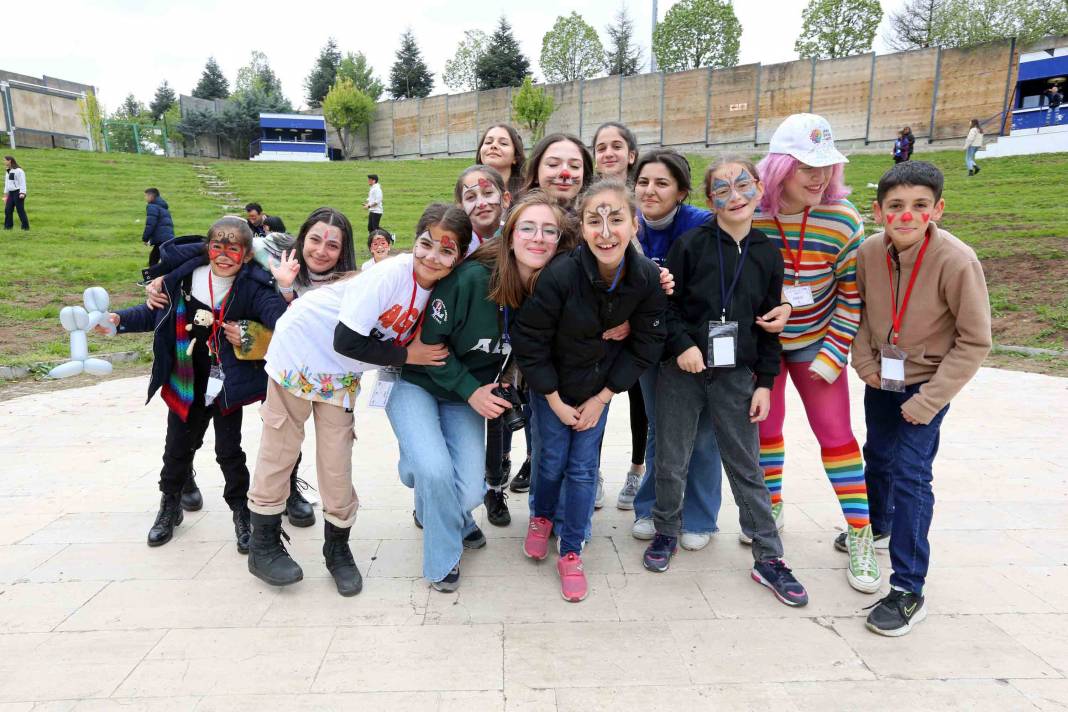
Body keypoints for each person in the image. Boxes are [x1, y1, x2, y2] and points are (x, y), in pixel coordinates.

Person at [246, 203, 462, 596]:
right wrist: (406, 355)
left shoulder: (438, 287)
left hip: (340, 371)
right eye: (426, 244)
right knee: (281, 448)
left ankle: (337, 549)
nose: (433, 255)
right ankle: (262, 545)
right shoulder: (392, 273)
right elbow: (345, 339)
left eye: (446, 250)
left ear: (459, 256)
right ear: (413, 242)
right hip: (300, 350)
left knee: (336, 459)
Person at [643, 156, 810, 608]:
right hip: (683, 371)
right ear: (708, 198)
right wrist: (682, 346)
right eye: (722, 189)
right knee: (672, 457)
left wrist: (766, 382)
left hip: (737, 375)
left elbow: (769, 325)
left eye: (743, 185)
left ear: (759, 188)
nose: (734, 196)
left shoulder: (766, 252)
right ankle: (666, 531)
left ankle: (769, 556)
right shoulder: (691, 245)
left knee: (746, 466)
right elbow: (665, 309)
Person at [852, 161, 991, 635]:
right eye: (895, 206)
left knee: (911, 475)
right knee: (877, 456)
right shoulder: (869, 252)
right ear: (878, 211)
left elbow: (974, 342)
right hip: (882, 380)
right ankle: (877, 524)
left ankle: (908, 588)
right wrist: (864, 364)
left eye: (919, 206)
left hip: (927, 385)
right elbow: (862, 315)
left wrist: (929, 401)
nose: (906, 216)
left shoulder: (957, 260)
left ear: (938, 209)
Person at [514, 178, 666, 602]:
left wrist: (603, 397)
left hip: (596, 391)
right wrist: (553, 399)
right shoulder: (560, 274)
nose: (605, 231)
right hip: (553, 390)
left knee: (582, 468)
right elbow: (530, 340)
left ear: (634, 224)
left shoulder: (645, 276)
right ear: (580, 228)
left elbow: (649, 342)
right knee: (549, 459)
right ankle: (541, 516)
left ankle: (572, 547)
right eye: (593, 221)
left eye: (616, 219)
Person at [97, 217, 288, 551]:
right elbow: (154, 314)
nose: (224, 254)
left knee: (230, 452)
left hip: (226, 386)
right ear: (207, 248)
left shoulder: (253, 286)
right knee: (177, 448)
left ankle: (242, 512)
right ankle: (169, 505)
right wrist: (118, 321)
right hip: (185, 381)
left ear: (245, 255)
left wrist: (273, 312)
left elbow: (277, 316)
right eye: (217, 246)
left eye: (233, 248)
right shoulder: (182, 281)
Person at [752, 113, 881, 595]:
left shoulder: (843, 219)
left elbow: (852, 297)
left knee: (837, 436)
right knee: (765, 430)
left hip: (815, 344)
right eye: (807, 166)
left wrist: (831, 356)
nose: (819, 176)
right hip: (763, 348)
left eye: (826, 166)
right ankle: (771, 506)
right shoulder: (754, 214)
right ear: (780, 166)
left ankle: (860, 533)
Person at [628, 149, 723, 549]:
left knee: (703, 433)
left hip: (696, 345)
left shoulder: (702, 226)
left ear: (682, 191)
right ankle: (650, 507)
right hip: (652, 342)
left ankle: (701, 517)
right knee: (658, 426)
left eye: (662, 183)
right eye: (644, 182)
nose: (650, 191)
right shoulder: (628, 223)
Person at [592, 122, 648, 508]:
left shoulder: (648, 198)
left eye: (617, 146)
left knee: (640, 403)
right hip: (597, 327)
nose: (608, 153)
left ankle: (636, 471)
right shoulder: (589, 201)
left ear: (631, 154)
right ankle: (590, 472)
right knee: (594, 398)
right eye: (601, 147)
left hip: (640, 321)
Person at [519, 133, 593, 210]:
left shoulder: (594, 219)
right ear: (536, 174)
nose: (565, 173)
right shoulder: (518, 218)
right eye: (553, 164)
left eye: (575, 166)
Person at [455, 164, 511, 255]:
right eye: (470, 197)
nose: (481, 203)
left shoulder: (517, 237)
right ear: (461, 208)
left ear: (505, 199)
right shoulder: (457, 247)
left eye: (488, 193)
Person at [476, 124, 526, 196]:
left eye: (503, 143)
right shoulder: (467, 189)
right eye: (488, 142)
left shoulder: (529, 197)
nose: (493, 146)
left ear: (515, 156)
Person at [142, 188, 174, 266]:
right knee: (160, 258)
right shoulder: (163, 206)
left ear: (151, 196)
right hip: (168, 237)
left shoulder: (152, 206)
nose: (145, 198)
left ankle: (152, 276)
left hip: (161, 238)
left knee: (153, 260)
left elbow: (150, 224)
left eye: (146, 196)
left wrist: (145, 238)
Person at [3, 155, 29, 231]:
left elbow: (22, 182)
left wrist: (22, 193)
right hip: (11, 193)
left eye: (5, 160)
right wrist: (5, 195)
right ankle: (8, 227)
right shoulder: (8, 170)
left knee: (20, 210)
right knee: (8, 210)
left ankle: (25, 227)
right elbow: (7, 183)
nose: (4, 162)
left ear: (10, 161)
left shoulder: (19, 171)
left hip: (18, 193)